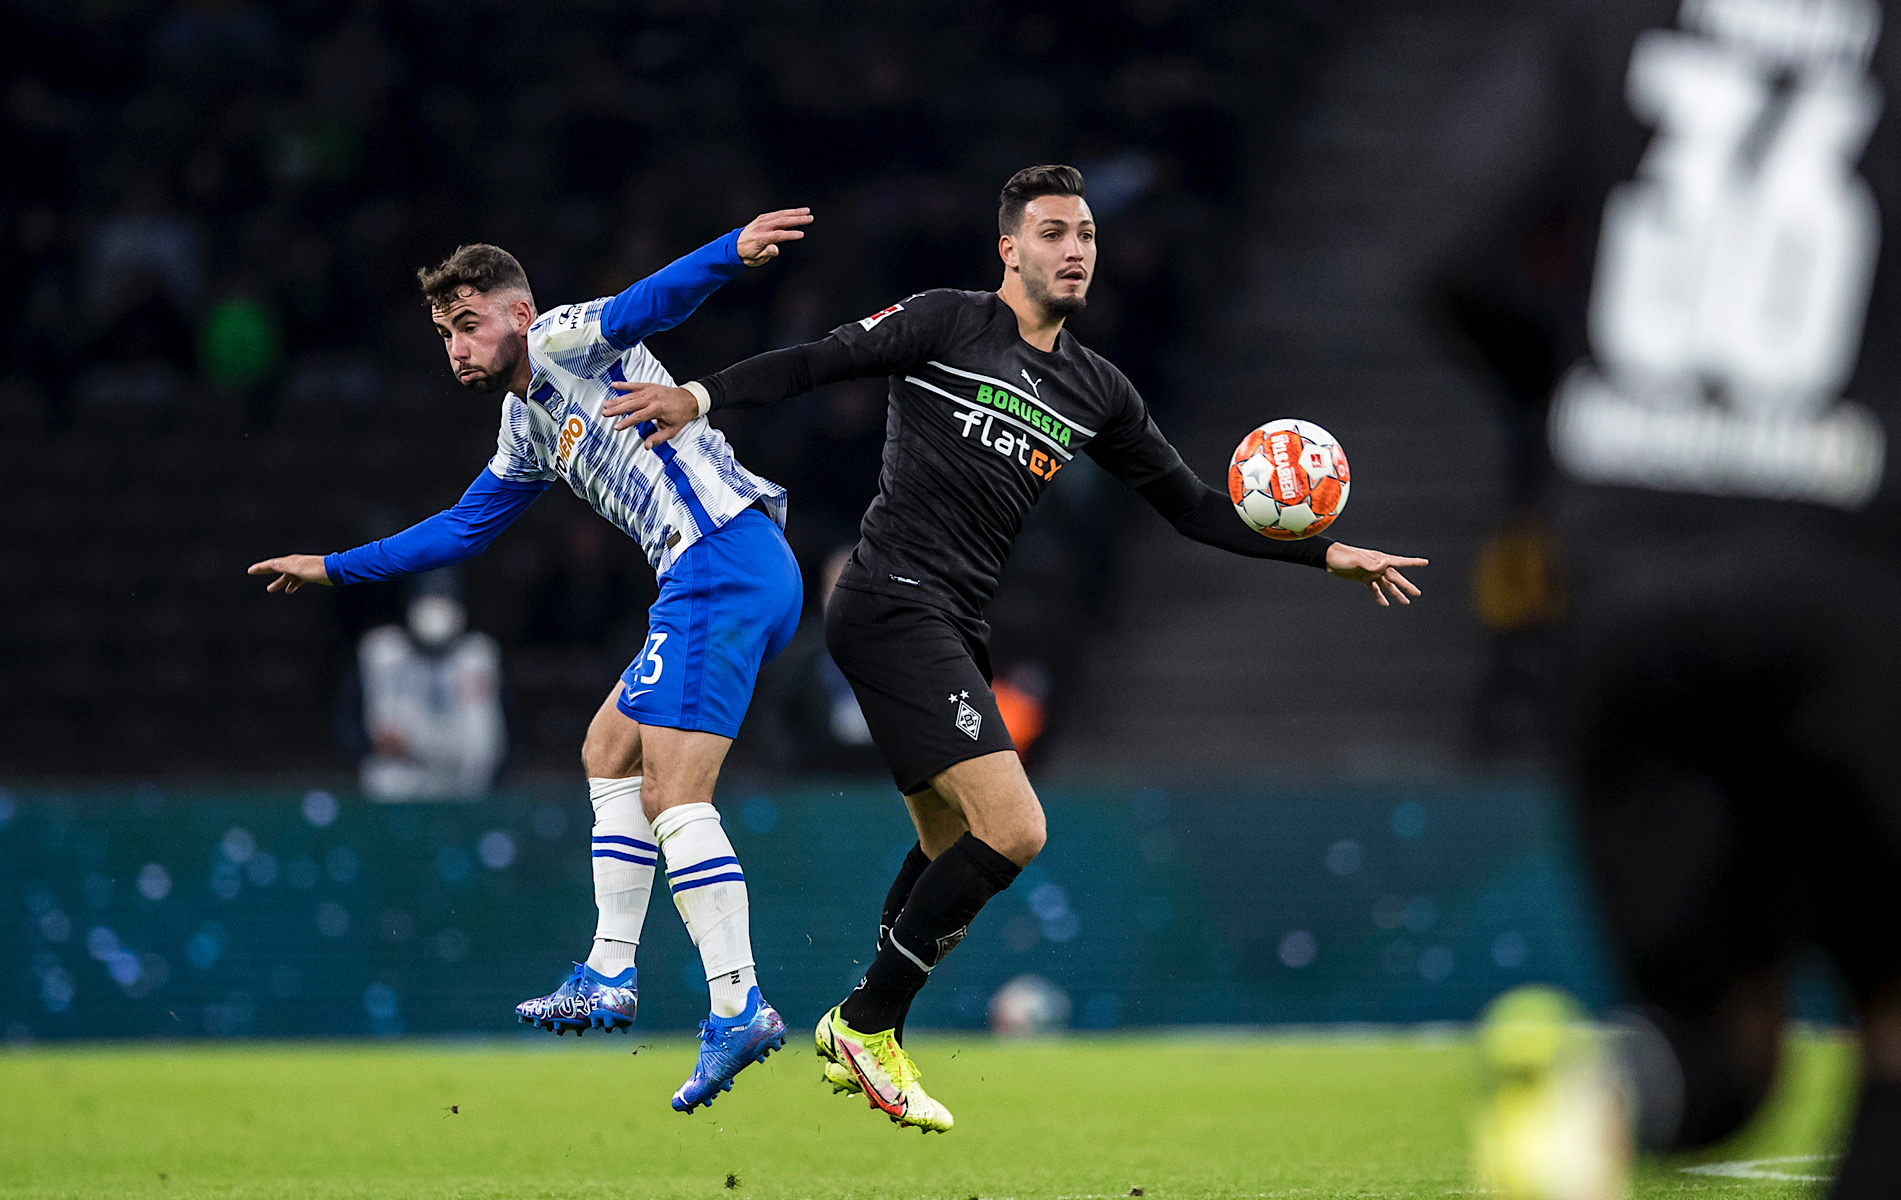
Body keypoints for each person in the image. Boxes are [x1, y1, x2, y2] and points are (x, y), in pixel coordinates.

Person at [603, 164, 1429, 1132]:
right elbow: (818, 360)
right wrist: (698, 395)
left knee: (949, 842)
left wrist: (1323, 552)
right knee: (1016, 828)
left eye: (1083, 232)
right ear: (1009, 247)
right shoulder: (946, 321)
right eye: (1051, 232)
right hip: (888, 599)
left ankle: (865, 1024)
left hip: (953, 619)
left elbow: (1193, 508)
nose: (1074, 248)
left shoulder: (1096, 389)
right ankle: (866, 1023)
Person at [1432, 1, 1901, 1197]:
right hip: (1849, 568)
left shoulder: (1597, 27)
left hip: (1627, 583)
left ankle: (1593, 1106)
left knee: (1717, 1052)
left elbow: (1452, 260)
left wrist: (1587, 421)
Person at [248, 209, 813, 1113]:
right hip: (719, 570)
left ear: (519, 311)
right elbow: (465, 528)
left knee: (675, 796)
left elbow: (643, 306)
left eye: (469, 326)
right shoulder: (523, 427)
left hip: (720, 558)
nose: (457, 350)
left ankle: (738, 1003)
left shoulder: (560, 341)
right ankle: (608, 971)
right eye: (444, 336)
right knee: (606, 750)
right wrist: (337, 568)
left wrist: (729, 252)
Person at [353, 575, 505, 801]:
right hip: (397, 787)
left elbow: (484, 748)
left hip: (462, 787)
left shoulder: (477, 657)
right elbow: (364, 730)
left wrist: (412, 746)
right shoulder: (382, 652)